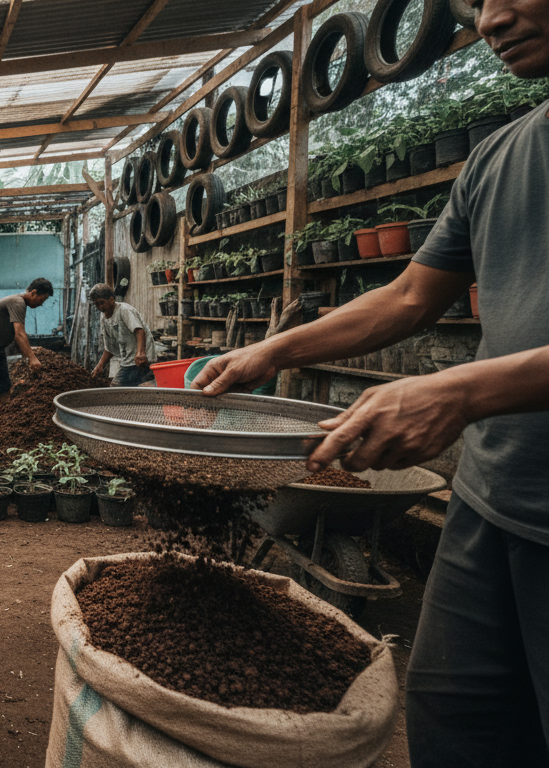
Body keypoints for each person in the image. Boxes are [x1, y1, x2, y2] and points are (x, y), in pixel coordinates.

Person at [192, 3, 549, 763]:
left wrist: (462, 392)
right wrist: (274, 350)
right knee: (456, 717)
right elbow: (410, 299)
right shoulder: (501, 157)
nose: (492, 18)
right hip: (491, 506)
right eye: (478, 0)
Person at [0, 278, 53, 432]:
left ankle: (1, 418)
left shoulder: (20, 304)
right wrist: (32, 358)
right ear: (33, 292)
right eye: (42, 299)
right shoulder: (17, 302)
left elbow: (16, 337)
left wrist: (28, 353)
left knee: (4, 384)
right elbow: (19, 333)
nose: (41, 304)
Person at [88, 283, 155, 386]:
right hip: (128, 361)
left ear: (111, 300)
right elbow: (109, 347)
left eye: (102, 303)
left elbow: (139, 330)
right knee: (137, 389)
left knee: (116, 388)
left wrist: (140, 353)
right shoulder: (104, 318)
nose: (100, 307)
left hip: (140, 360)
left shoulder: (124, 310)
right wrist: (100, 366)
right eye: (96, 304)